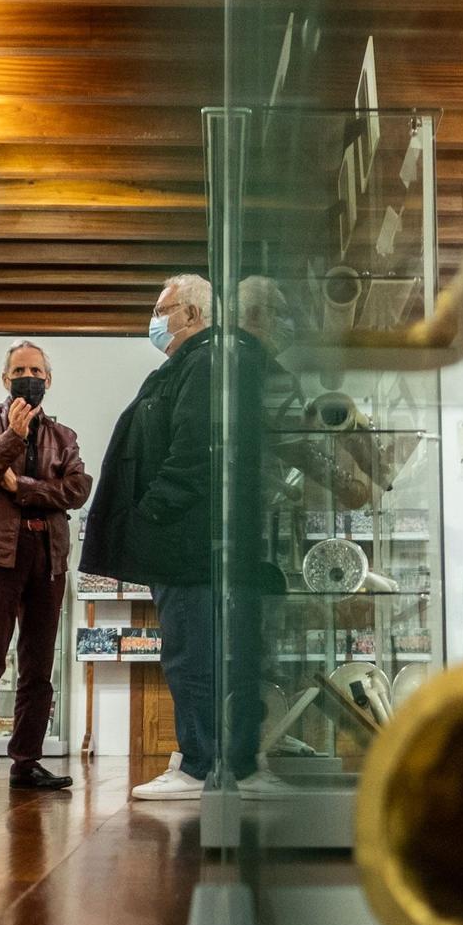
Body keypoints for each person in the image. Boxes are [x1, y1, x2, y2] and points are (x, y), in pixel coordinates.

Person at [81, 274, 267, 800]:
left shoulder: (206, 362)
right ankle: (201, 761)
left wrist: (149, 515)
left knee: (191, 655)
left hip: (187, 545)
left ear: (191, 314)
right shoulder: (186, 365)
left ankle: (200, 766)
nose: (155, 320)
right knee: (190, 652)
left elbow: (196, 453)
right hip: (182, 544)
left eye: (162, 309)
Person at [0, 341, 92, 792]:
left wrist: (24, 487)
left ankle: (26, 762)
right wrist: (11, 436)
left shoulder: (64, 436)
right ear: (4, 378)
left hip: (48, 555)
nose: (27, 377)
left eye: (35, 370)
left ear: (48, 380)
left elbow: (77, 489)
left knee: (38, 664)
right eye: (19, 370)